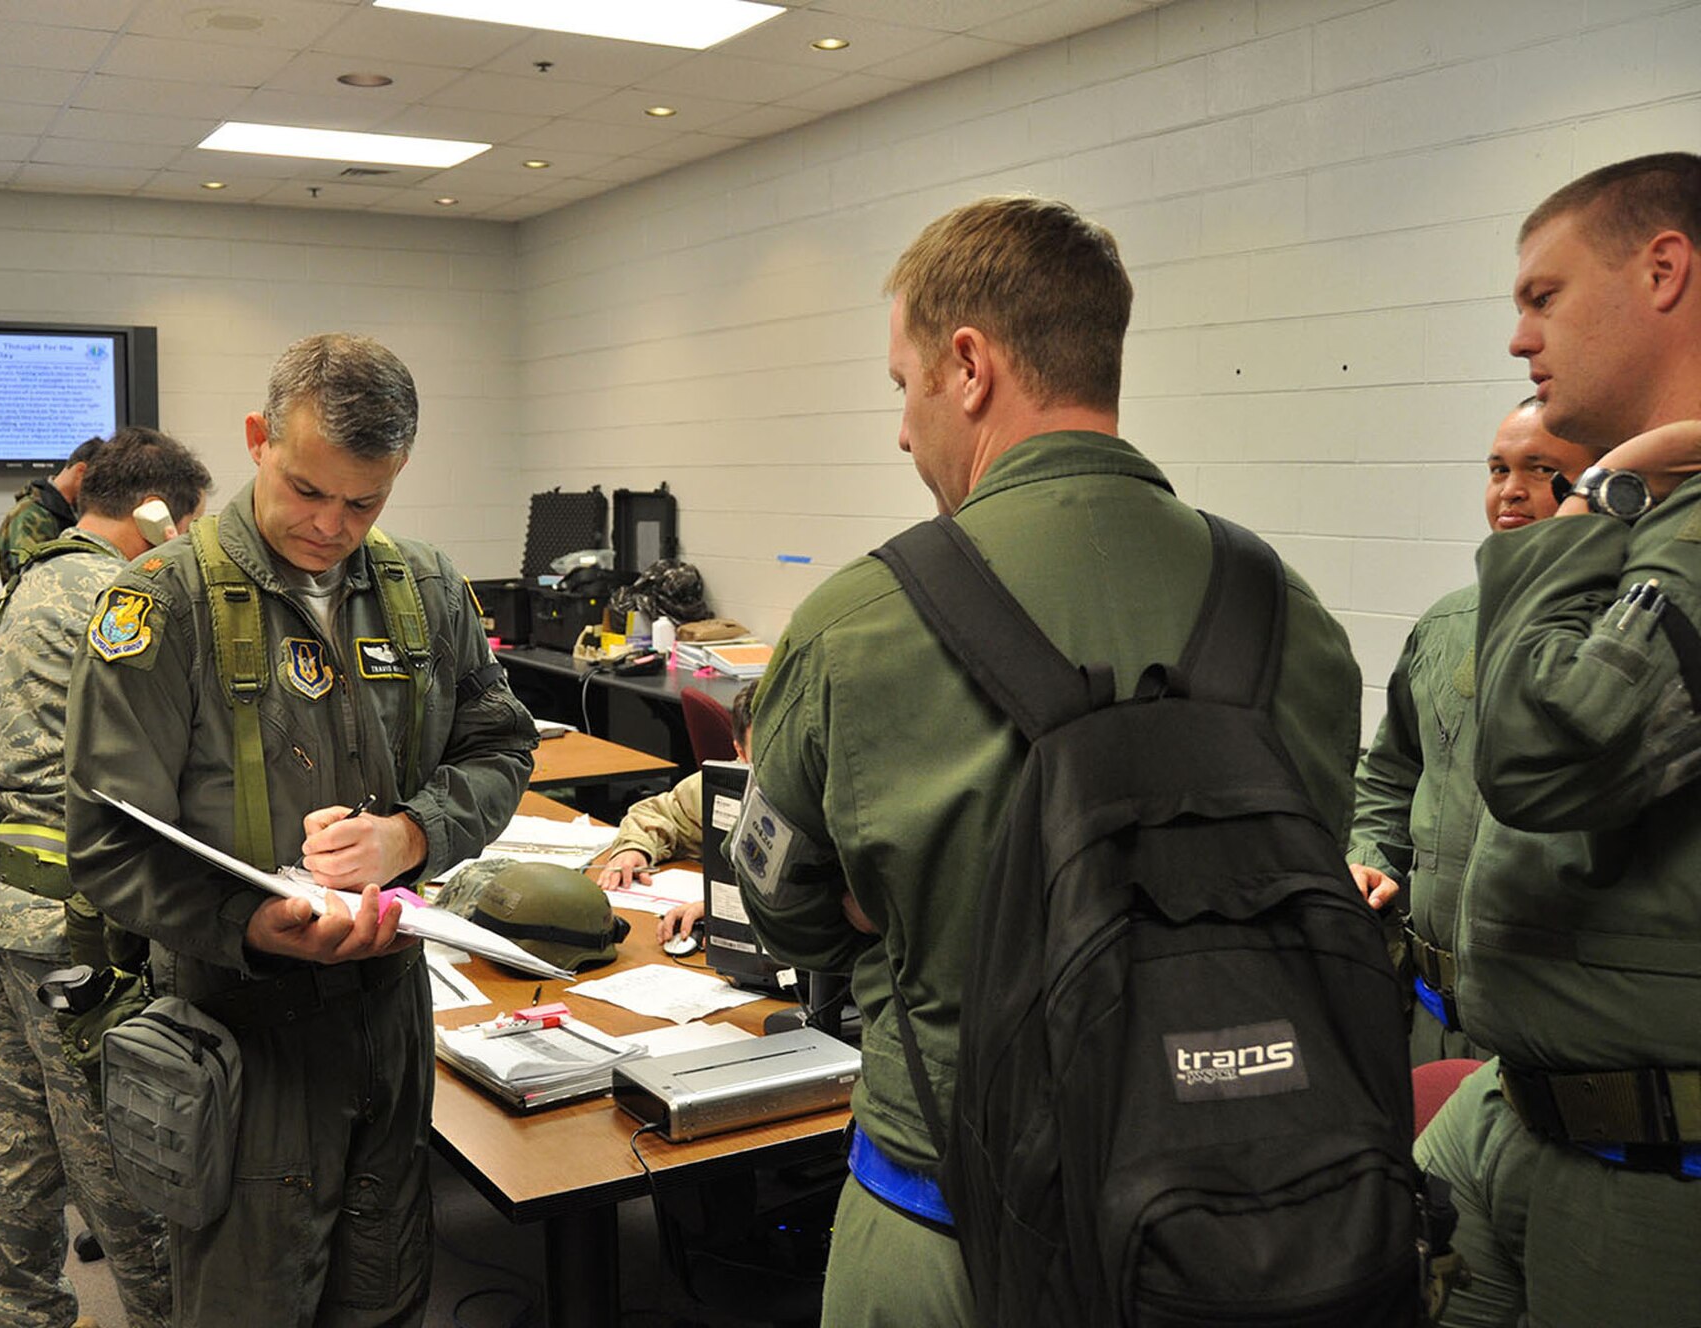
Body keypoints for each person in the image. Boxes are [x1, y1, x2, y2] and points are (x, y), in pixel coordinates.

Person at [736, 195, 1361, 1326]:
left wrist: (909, 909)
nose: (899, 428)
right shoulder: (1290, 616)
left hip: (948, 1229)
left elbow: (783, 910)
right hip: (1240, 1231)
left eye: (902, 384)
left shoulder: (856, 620)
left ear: (966, 366)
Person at [64, 332, 538, 1328]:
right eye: (306, 489)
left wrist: (412, 833)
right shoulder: (161, 607)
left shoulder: (424, 587)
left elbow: (499, 748)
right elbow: (107, 841)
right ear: (256, 439)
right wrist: (249, 921)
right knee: (247, 1301)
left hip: (389, 1010)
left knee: (387, 1291)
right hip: (239, 1027)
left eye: (362, 501)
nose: (329, 525)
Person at [1442, 151, 1701, 1326]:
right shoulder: (1659, 509)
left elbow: (1550, 751)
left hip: (1652, 1169)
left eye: (1540, 297)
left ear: (1662, 270)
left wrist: (1595, 496)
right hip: (1528, 1117)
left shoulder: (1674, 522)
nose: (1517, 337)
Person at [0, 425, 212, 1328]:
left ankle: (22, 1319)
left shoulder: (11, 599)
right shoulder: (124, 600)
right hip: (75, 934)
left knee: (12, 1152)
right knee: (126, 1157)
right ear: (161, 515)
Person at [1347, 400, 1596, 1065]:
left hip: (1547, 1036)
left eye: (1541, 470)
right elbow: (1392, 771)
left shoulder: (1628, 636)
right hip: (1426, 1018)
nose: (1510, 490)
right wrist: (1372, 852)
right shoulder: (1447, 624)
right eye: (1497, 469)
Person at [595, 682, 755, 945]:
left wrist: (732, 907)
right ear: (740, 752)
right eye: (762, 752)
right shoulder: (734, 780)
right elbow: (661, 813)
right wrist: (635, 849)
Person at [0, 436, 104, 582]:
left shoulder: (71, 512)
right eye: (99, 482)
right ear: (81, 471)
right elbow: (29, 581)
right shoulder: (29, 516)